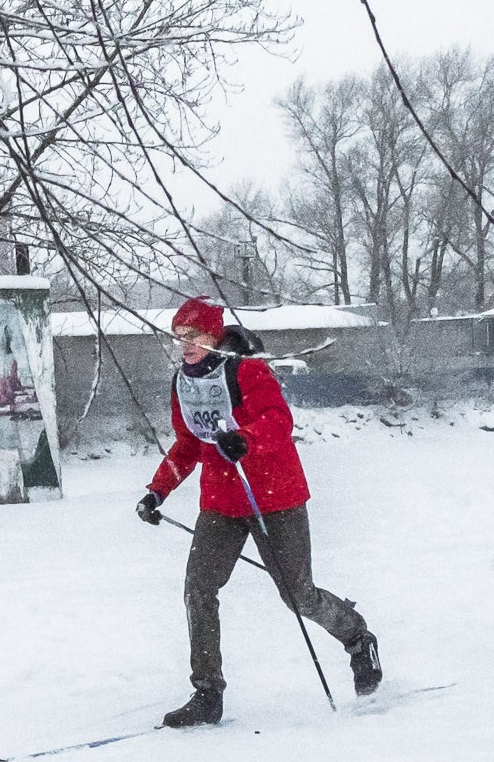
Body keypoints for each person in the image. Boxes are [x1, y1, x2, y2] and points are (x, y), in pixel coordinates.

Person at [136, 298, 380, 727]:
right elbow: (188, 444)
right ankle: (207, 693)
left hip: (274, 496)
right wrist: (158, 491)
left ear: (213, 335)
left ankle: (358, 638)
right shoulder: (183, 383)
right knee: (199, 588)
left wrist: (244, 439)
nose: (185, 345)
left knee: (298, 596)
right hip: (220, 503)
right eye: (179, 337)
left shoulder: (248, 370)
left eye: (192, 336)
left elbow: (278, 421)